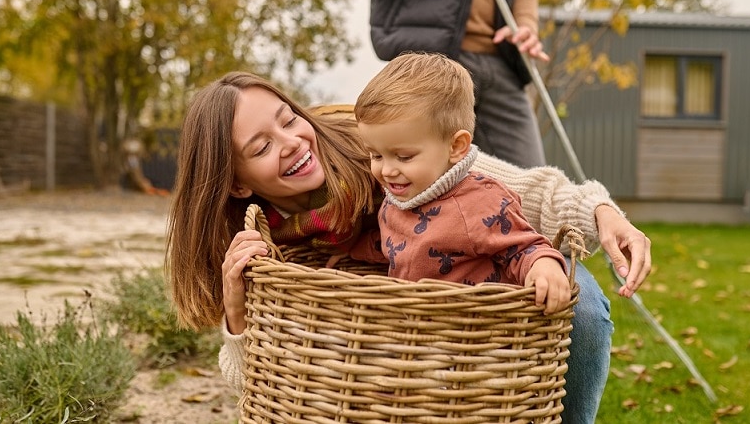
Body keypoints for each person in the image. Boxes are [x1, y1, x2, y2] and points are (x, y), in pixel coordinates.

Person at [165, 71, 652, 423]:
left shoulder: (373, 149)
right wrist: (237, 312)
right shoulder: (260, 242)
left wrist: (601, 213)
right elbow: (254, 381)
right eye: (261, 147)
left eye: (288, 119)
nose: (292, 142)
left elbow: (513, 190)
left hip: (486, 269)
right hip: (408, 351)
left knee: (580, 306)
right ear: (236, 185)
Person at [350, 52, 571, 313]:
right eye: (376, 155)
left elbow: (523, 247)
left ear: (456, 147)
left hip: (474, 332)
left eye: (404, 156)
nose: (386, 170)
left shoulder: (480, 202)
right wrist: (348, 250)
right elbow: (390, 245)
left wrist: (543, 266)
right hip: (413, 328)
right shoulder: (396, 201)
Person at [346, 0, 548, 169]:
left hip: (500, 63)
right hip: (426, 65)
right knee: (419, 179)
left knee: (530, 181)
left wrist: (526, 24)